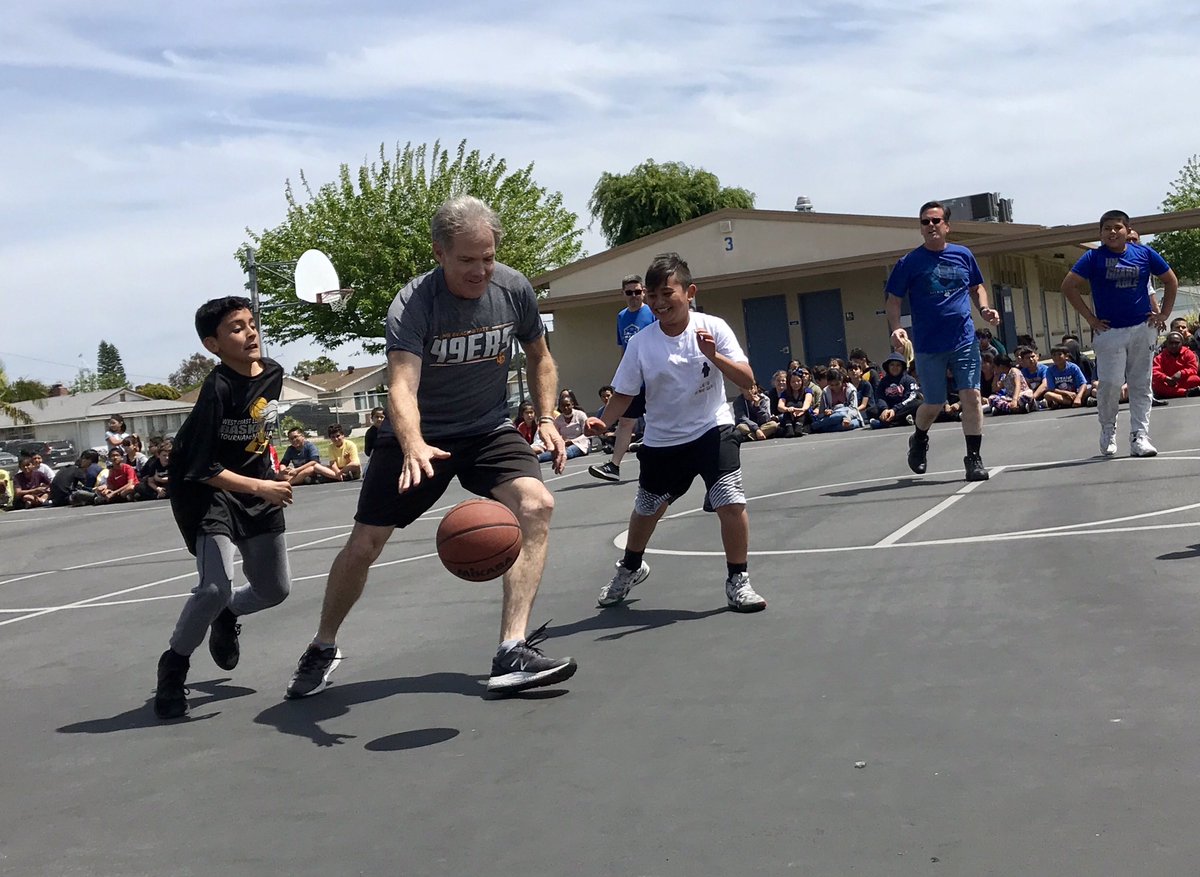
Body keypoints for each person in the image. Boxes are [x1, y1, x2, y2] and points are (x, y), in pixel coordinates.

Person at [285, 195, 576, 699]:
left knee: (537, 505)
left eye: (487, 257)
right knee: (365, 546)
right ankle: (322, 645)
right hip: (419, 437)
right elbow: (401, 384)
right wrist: (414, 442)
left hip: (486, 430)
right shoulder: (414, 303)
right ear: (440, 253)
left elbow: (541, 358)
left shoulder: (513, 289)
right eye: (467, 260)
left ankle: (512, 649)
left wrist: (546, 417)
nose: (481, 270)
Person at [586, 252, 767, 613]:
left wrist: (714, 357)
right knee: (647, 511)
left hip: (712, 428)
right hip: (663, 440)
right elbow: (623, 394)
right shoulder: (641, 344)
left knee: (730, 500)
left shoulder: (713, 328)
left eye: (666, 294)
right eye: (652, 296)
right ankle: (631, 567)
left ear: (689, 292)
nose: (658, 303)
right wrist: (602, 422)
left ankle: (738, 580)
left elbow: (747, 380)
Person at [154, 296, 294, 721]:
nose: (250, 332)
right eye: (237, 328)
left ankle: (227, 614)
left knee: (274, 590)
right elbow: (203, 467)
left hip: (255, 485)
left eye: (252, 324)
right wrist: (260, 486)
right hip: (206, 490)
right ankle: (174, 667)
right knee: (215, 587)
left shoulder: (273, 373)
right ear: (212, 345)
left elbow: (259, 431)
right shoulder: (215, 389)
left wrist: (272, 472)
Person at [886, 200, 1001, 481]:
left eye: (936, 221)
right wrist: (897, 328)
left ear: (947, 226)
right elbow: (893, 299)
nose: (931, 226)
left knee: (972, 397)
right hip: (928, 344)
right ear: (921, 228)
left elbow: (977, 287)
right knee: (934, 404)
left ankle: (973, 458)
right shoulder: (910, 262)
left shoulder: (963, 255)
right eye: (925, 222)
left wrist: (985, 308)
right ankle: (919, 437)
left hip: (963, 339)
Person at [1062, 209, 1178, 457]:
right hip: (1109, 331)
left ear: (1127, 231)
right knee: (1110, 384)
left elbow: (1170, 280)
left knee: (1140, 384)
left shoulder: (1144, 253)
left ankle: (1140, 436)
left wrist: (1164, 314)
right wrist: (1090, 318)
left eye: (1117, 228)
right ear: (1101, 233)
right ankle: (1108, 428)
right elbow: (1068, 286)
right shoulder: (1092, 258)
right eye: (1107, 229)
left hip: (1141, 329)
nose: (1112, 232)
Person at [588, 274, 655, 483]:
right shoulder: (621, 316)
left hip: (653, 378)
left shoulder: (651, 312)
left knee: (660, 421)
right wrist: (623, 376)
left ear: (643, 291)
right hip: (633, 380)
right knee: (626, 422)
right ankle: (614, 466)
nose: (634, 296)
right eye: (629, 292)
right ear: (623, 294)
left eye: (637, 291)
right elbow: (623, 349)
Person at [536, 388, 589, 463]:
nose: (566, 408)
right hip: (564, 444)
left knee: (569, 452)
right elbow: (555, 435)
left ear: (572, 404)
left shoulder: (580, 415)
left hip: (580, 444)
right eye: (563, 406)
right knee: (558, 451)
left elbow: (587, 434)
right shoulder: (558, 420)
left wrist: (572, 441)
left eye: (568, 405)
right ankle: (537, 458)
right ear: (560, 407)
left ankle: (539, 458)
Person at [869, 353, 921, 428]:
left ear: (902, 367)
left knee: (918, 404)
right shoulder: (883, 381)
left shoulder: (909, 380)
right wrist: (885, 409)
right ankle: (902, 420)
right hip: (888, 408)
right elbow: (880, 397)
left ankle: (885, 423)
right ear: (888, 366)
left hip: (903, 407)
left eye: (898, 365)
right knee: (871, 411)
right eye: (892, 365)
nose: (895, 367)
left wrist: (894, 409)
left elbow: (911, 397)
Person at [811, 367, 863, 432]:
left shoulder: (851, 389)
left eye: (837, 384)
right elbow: (821, 413)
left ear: (841, 380)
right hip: (833, 417)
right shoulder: (825, 391)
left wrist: (847, 418)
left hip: (851, 417)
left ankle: (818, 426)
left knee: (849, 423)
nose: (835, 387)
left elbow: (854, 409)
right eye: (832, 385)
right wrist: (826, 412)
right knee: (840, 415)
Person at [1152, 331, 1200, 398]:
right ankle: (1185, 392)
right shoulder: (1160, 357)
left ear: (1182, 343)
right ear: (1166, 344)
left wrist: (1181, 373)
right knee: (1156, 385)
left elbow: (1193, 369)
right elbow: (1154, 371)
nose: (1173, 346)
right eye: (1171, 343)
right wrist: (1165, 378)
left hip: (1183, 381)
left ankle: (1173, 392)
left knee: (1195, 379)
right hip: (1167, 383)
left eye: (1177, 343)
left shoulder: (1189, 353)